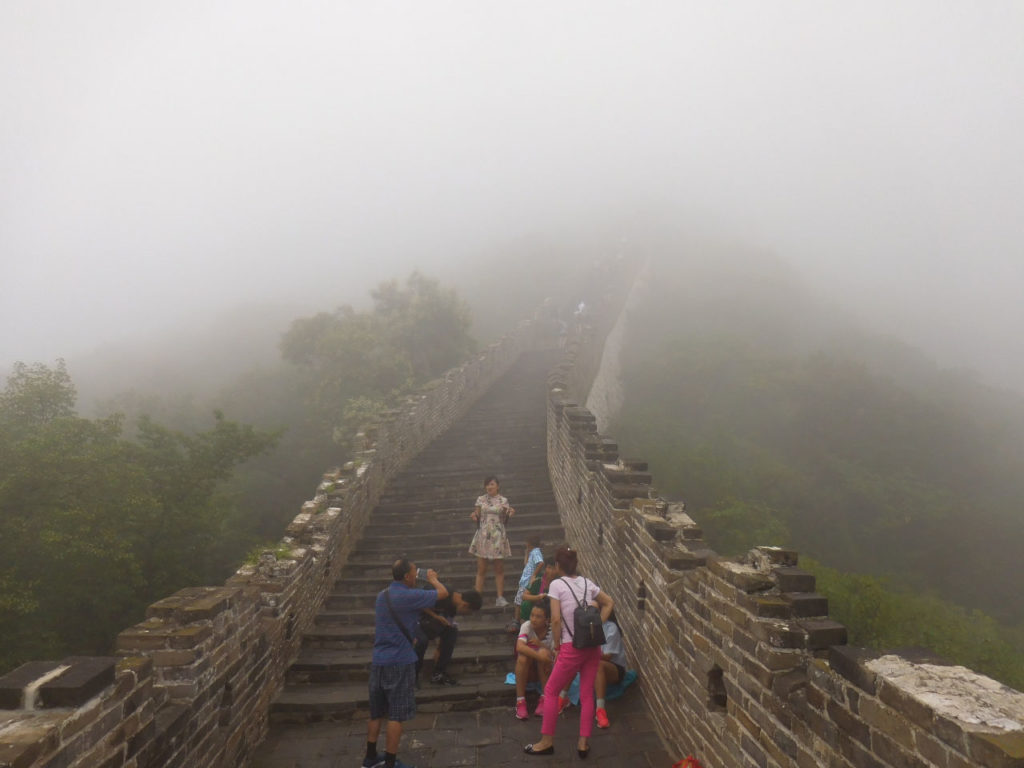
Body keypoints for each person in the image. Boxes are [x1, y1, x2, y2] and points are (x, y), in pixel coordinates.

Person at [525, 545, 613, 759]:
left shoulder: (556, 585)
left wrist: (556, 645)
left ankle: (546, 741)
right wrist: (597, 627)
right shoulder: (587, 582)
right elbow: (609, 603)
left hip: (570, 646)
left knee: (552, 691)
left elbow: (555, 619)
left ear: (557, 565)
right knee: (586, 693)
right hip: (592, 647)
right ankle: (583, 743)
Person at [364, 559, 447, 768]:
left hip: (379, 660)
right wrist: (432, 578)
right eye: (413, 572)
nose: (415, 575)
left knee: (376, 712)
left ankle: (370, 757)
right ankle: (390, 763)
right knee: (396, 715)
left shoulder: (382, 596)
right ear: (407, 577)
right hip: (399, 661)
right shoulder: (409, 596)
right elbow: (443, 593)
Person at [413, 588, 482, 686]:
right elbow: (417, 601)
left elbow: (446, 624)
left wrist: (440, 649)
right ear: (465, 605)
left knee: (452, 631)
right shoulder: (443, 593)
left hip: (427, 621)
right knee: (422, 640)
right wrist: (435, 616)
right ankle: (413, 676)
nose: (466, 614)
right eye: (468, 611)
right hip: (412, 617)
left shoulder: (454, 606)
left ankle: (438, 673)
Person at [469, 475, 514, 606]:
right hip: (483, 535)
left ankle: (500, 597)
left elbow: (506, 516)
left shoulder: (503, 500)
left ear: (497, 486)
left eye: (492, 484)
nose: (489, 486)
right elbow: (477, 514)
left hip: (498, 535)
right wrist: (474, 516)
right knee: (481, 568)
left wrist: (510, 513)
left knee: (499, 568)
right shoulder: (480, 499)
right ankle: (477, 599)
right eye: (487, 484)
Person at [514, 600, 555, 720]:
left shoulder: (554, 630)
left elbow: (557, 654)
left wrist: (542, 647)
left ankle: (544, 698)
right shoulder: (527, 626)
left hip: (548, 670)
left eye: (538, 616)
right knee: (523, 656)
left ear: (547, 619)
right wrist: (540, 657)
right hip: (529, 671)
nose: (533, 619)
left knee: (543, 652)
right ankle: (520, 701)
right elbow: (519, 646)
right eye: (532, 615)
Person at [594, 612, 627, 728]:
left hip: (613, 667)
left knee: (598, 665)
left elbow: (608, 657)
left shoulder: (611, 628)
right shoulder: (589, 625)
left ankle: (600, 709)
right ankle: (561, 697)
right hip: (592, 663)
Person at [512, 534, 544, 628]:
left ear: (529, 543)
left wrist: (534, 575)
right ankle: (517, 620)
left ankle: (516, 621)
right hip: (525, 581)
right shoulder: (532, 553)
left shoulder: (536, 552)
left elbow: (541, 563)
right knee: (518, 600)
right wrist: (526, 553)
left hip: (527, 582)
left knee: (518, 601)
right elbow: (526, 564)